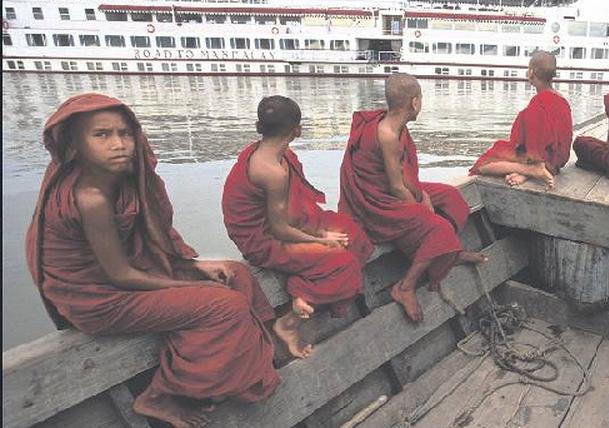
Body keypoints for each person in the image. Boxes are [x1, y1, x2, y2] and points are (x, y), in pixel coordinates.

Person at [25, 93, 280, 428]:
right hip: (97, 298)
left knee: (237, 274)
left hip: (125, 277)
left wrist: (193, 266)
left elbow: (149, 240)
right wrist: (187, 280)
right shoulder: (90, 197)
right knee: (224, 304)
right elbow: (120, 275)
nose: (118, 144)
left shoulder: (125, 179)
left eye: (125, 133)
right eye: (101, 135)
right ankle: (163, 395)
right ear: (75, 143)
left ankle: (254, 362)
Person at [222, 96, 374, 359]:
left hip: (285, 225)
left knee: (353, 233)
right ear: (297, 130)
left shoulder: (280, 155)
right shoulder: (271, 171)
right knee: (344, 262)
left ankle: (304, 283)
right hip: (264, 240)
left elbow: (291, 212)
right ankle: (290, 319)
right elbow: (279, 230)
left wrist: (320, 232)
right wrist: (323, 240)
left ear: (260, 126)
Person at [339, 73, 487, 323]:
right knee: (438, 229)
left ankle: (447, 252)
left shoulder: (396, 126)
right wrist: (422, 210)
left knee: (453, 198)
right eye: (421, 99)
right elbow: (397, 188)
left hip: (392, 186)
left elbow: (402, 171)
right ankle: (406, 286)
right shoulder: (386, 134)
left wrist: (423, 194)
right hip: (376, 201)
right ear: (414, 102)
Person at [469, 51, 573, 188]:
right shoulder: (562, 101)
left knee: (484, 163)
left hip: (541, 159)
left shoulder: (537, 104)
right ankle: (531, 172)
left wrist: (530, 165)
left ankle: (531, 170)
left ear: (531, 72)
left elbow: (523, 142)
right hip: (557, 161)